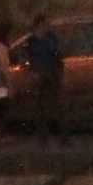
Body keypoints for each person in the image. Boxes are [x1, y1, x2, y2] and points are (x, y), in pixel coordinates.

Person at [25, 12, 64, 140]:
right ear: (39, 25)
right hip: (39, 72)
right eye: (45, 23)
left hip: (51, 72)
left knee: (55, 104)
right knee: (39, 106)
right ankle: (42, 135)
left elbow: (57, 53)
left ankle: (61, 135)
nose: (48, 26)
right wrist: (32, 70)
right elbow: (28, 56)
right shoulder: (31, 40)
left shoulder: (51, 37)